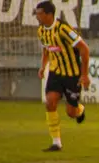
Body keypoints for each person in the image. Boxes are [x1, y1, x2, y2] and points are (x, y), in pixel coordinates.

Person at [35, 1, 90, 152]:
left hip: (72, 75)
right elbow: (47, 49)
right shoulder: (41, 31)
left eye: (39, 14)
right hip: (55, 73)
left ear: (49, 14)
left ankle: (79, 109)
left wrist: (84, 75)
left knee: (71, 113)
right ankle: (56, 142)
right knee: (50, 102)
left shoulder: (63, 29)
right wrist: (43, 66)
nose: (37, 17)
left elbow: (84, 49)